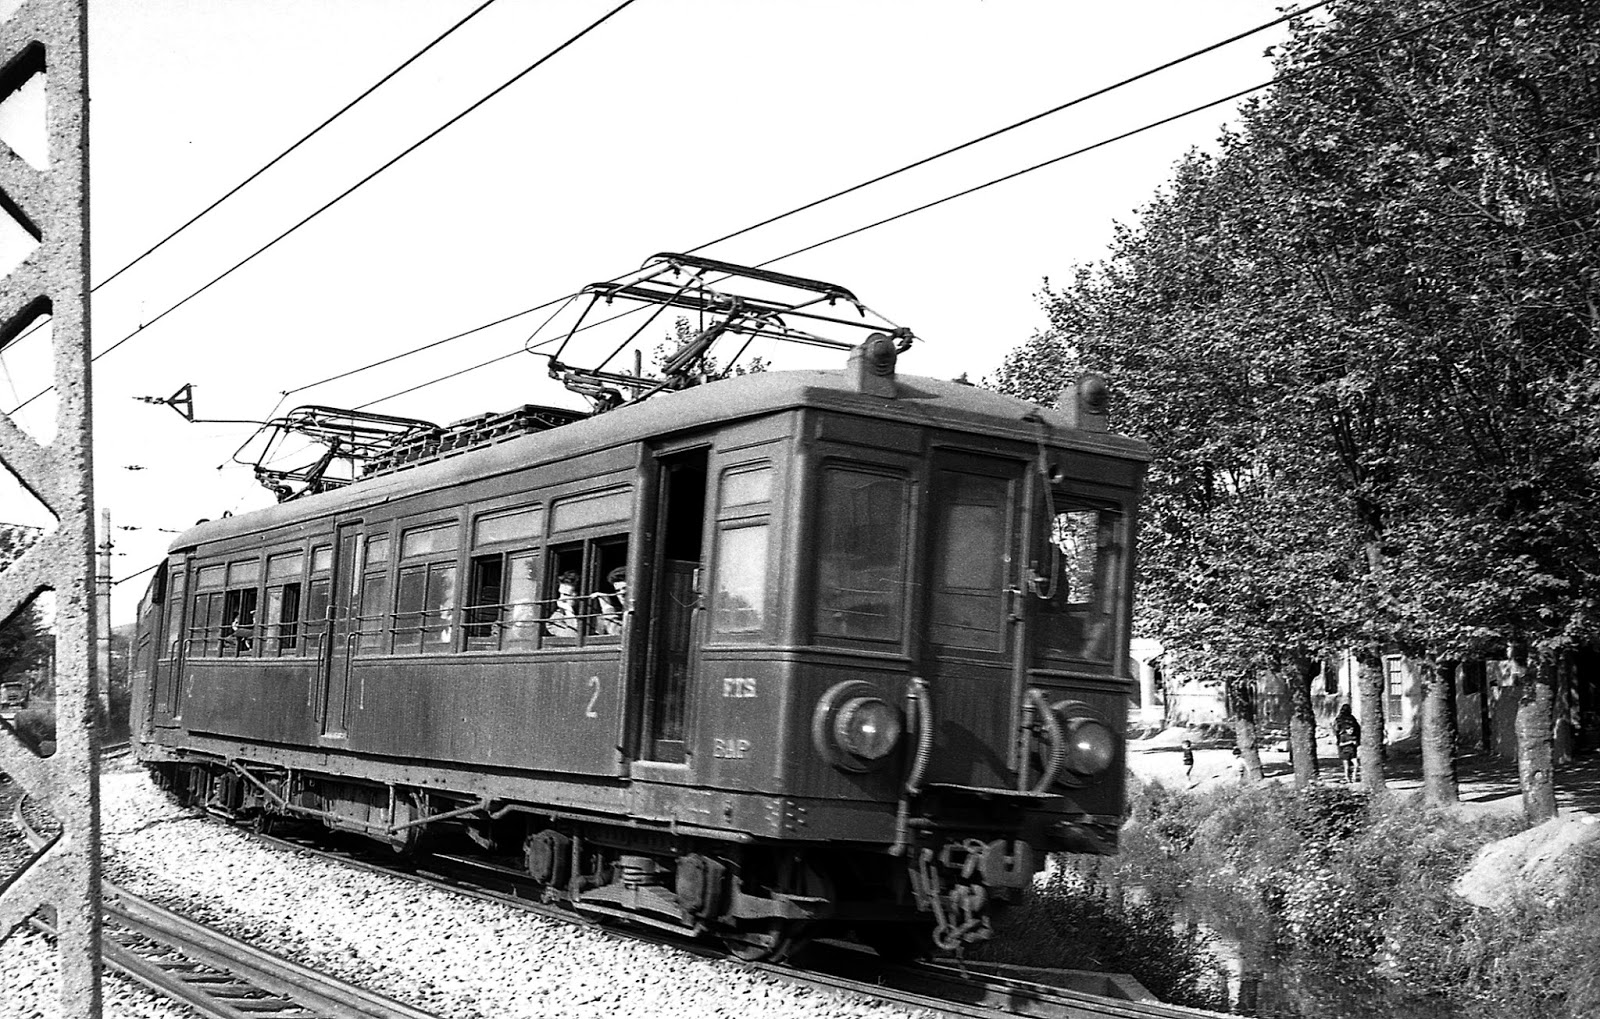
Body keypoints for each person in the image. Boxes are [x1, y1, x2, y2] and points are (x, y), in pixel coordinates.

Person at [545, 570, 582, 638]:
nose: (561, 598)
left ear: (579, 596)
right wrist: (569, 612)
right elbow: (573, 637)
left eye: (566, 595)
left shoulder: (591, 613)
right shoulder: (555, 620)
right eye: (560, 594)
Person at [593, 566, 628, 635]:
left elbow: (617, 633)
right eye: (617, 590)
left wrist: (607, 607)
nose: (621, 594)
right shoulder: (618, 612)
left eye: (625, 588)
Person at [1335, 704, 1361, 783]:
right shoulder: (1351, 718)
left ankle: (1349, 775)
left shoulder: (1338, 719)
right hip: (1347, 740)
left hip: (1346, 739)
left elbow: (1336, 729)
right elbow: (1358, 729)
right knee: (1349, 759)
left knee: (1348, 759)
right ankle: (1348, 775)